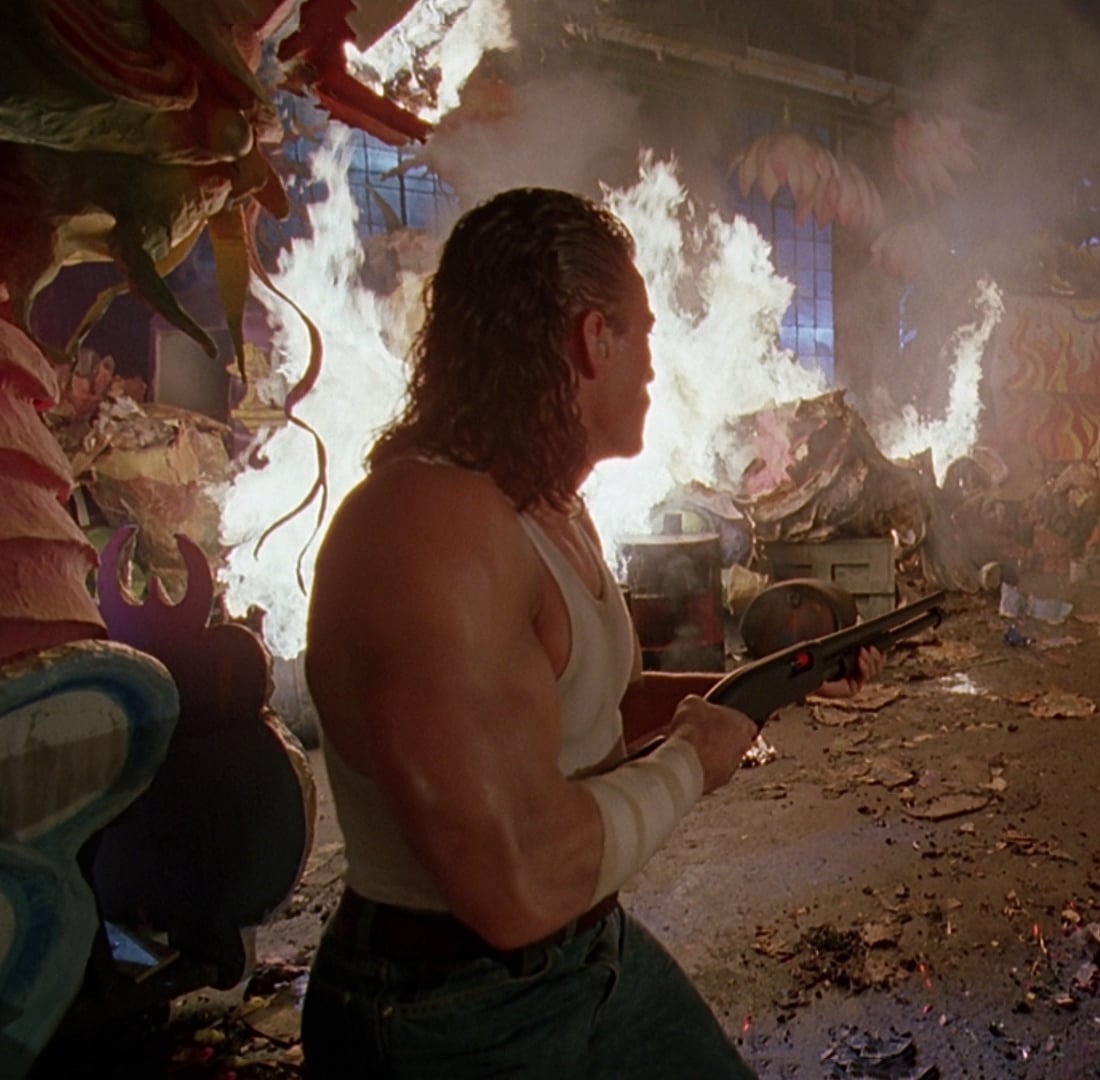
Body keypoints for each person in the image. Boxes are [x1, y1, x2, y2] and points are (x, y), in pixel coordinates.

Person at [299, 187, 882, 1078]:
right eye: (643, 334)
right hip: (446, 1006)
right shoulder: (432, 526)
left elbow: (598, 707)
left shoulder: (548, 505)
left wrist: (773, 683)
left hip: (581, 953)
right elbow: (518, 882)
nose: (652, 367)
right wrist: (692, 762)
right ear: (591, 337)